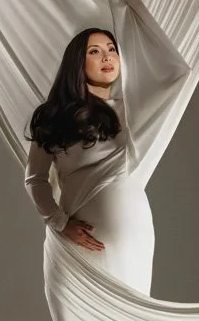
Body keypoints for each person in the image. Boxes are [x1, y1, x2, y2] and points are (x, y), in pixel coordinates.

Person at [24, 27, 155, 295]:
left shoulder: (133, 111)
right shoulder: (53, 115)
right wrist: (59, 223)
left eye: (112, 50)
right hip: (75, 245)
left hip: (132, 240)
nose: (107, 57)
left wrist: (128, 4)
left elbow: (176, 74)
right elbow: (34, 179)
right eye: (95, 52)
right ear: (78, 64)